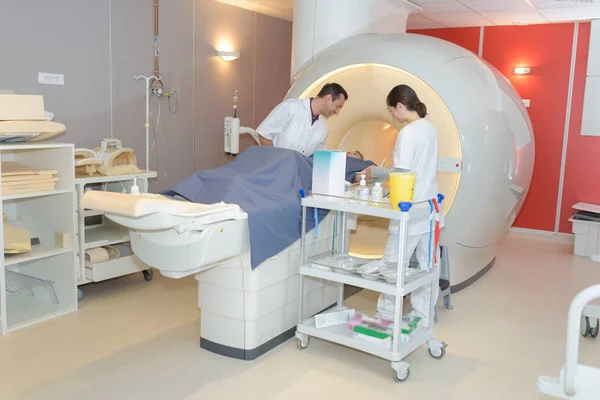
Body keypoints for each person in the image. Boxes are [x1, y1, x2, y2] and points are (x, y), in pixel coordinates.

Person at [361, 84, 444, 326]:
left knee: (392, 265)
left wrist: (376, 171)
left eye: (392, 111)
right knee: (428, 266)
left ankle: (386, 317)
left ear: (400, 106)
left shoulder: (408, 133)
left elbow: (402, 172)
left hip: (409, 209)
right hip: (429, 208)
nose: (393, 117)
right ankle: (423, 317)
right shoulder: (430, 128)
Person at [256, 83, 348, 156]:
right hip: (277, 168)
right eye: (338, 106)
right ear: (328, 98)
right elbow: (264, 133)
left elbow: (318, 153)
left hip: (298, 173)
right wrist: (274, 159)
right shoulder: (291, 107)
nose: (337, 112)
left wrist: (339, 156)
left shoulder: (323, 129)